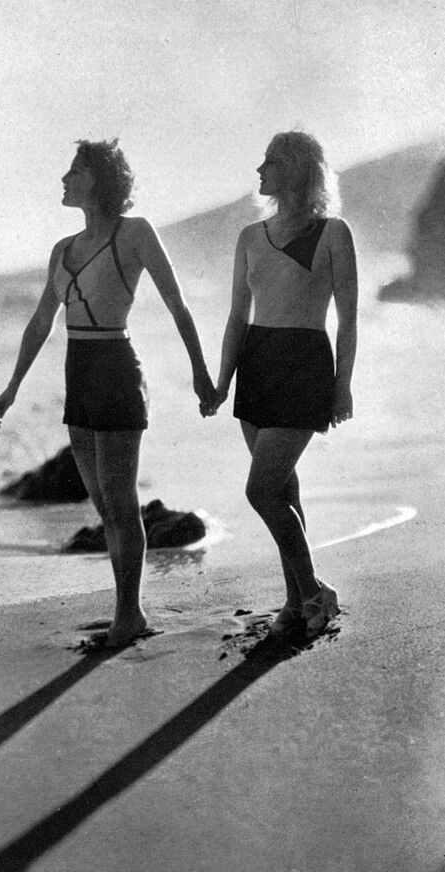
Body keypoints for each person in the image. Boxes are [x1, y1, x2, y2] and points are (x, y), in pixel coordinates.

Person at [0, 139, 215, 649]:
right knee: (103, 504)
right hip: (80, 374)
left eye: (74, 169)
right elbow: (39, 323)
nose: (65, 178)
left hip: (116, 367)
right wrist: (9, 389)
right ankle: (126, 609)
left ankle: (129, 613)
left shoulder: (134, 233)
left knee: (121, 502)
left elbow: (178, 306)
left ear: (97, 178)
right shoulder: (62, 250)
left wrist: (201, 376)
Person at [210, 131, 358, 637]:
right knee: (284, 488)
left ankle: (315, 590)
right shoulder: (251, 237)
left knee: (262, 489)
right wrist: (221, 381)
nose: (259, 170)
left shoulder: (334, 232)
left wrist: (343, 386)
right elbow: (236, 316)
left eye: (270, 162)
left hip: (304, 365)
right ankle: (296, 602)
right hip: (257, 363)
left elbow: (349, 320)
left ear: (295, 169)